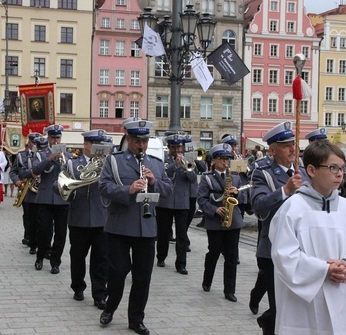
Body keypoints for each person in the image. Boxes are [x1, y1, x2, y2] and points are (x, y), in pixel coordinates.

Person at [269, 140, 346, 334]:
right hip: (305, 298)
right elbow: (284, 255)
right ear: (311, 170)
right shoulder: (292, 209)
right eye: (332, 167)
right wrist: (324, 269)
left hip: (342, 291)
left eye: (342, 168)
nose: (340, 174)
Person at [98, 119, 172, 335]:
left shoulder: (156, 163)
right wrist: (127, 190)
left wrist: (154, 182)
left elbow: (168, 189)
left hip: (147, 227)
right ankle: (110, 307)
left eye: (145, 141)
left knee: (143, 277)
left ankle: (136, 319)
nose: (141, 145)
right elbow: (104, 187)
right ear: (128, 139)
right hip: (119, 226)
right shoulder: (114, 160)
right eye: (137, 141)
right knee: (118, 272)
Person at [250, 121, 309, 335]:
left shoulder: (304, 173)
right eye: (285, 145)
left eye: (293, 144)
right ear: (272, 150)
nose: (292, 148)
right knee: (280, 306)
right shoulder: (263, 174)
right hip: (274, 249)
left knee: (295, 304)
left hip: (303, 248)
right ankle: (270, 323)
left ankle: (268, 320)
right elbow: (259, 206)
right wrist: (285, 189)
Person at [66, 129, 109, 309]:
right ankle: (78, 287)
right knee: (77, 256)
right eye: (95, 144)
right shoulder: (72, 164)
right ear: (86, 145)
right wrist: (64, 188)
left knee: (100, 259)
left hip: (101, 218)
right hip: (78, 216)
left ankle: (99, 294)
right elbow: (59, 184)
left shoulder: (107, 164)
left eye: (101, 145)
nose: (99, 148)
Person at [197, 143, 245, 302]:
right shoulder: (207, 177)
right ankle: (207, 280)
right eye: (222, 159)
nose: (226, 163)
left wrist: (237, 193)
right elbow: (201, 200)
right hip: (215, 221)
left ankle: (229, 290)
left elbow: (246, 199)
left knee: (232, 256)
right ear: (215, 160)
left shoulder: (236, 177)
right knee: (214, 252)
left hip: (233, 221)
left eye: (228, 159)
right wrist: (214, 210)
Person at [30, 125, 72, 273]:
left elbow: (72, 174)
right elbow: (35, 170)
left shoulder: (68, 155)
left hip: (62, 199)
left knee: (61, 233)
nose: (56, 140)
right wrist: (50, 158)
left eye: (58, 138)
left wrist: (64, 161)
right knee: (43, 230)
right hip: (45, 198)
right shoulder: (41, 154)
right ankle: (40, 257)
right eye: (53, 138)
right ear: (48, 139)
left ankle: (56, 262)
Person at [155, 134, 196, 274]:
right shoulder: (163, 160)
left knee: (182, 234)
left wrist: (186, 168)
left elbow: (193, 179)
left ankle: (181, 264)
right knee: (163, 233)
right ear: (169, 147)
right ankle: (161, 256)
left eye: (179, 147)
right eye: (174, 147)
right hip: (165, 201)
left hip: (182, 202)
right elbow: (165, 173)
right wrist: (176, 164)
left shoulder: (188, 160)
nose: (177, 150)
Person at [9, 133, 42, 252]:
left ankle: (36, 239)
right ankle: (28, 237)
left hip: (40, 190)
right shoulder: (21, 155)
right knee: (28, 215)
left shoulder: (42, 155)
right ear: (29, 142)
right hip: (26, 190)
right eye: (33, 143)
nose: (34, 145)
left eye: (36, 143)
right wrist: (16, 180)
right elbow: (13, 171)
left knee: (40, 217)